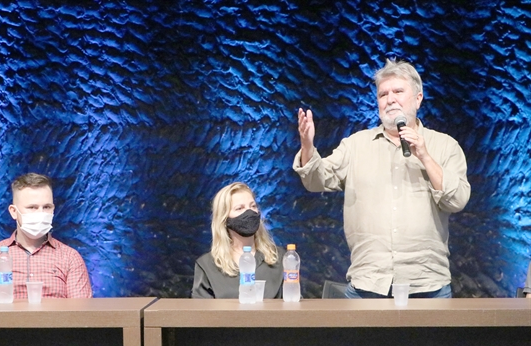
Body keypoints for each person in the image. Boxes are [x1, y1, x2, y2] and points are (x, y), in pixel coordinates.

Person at [293, 59, 470, 299]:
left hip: (427, 285)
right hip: (368, 284)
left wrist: (425, 157)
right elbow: (316, 180)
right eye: (383, 94)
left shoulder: (445, 146)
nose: (390, 99)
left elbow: (457, 200)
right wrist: (307, 146)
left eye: (398, 91)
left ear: (418, 98)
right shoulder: (356, 145)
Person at [0, 173, 92, 299]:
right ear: (13, 212)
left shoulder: (70, 258)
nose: (41, 213)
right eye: (32, 207)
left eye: (46, 207)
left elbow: (80, 315)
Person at [192, 182, 285, 299]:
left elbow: (294, 309)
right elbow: (200, 314)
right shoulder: (206, 265)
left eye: (253, 206)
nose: (249, 212)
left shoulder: (281, 258)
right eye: (239, 208)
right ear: (224, 219)